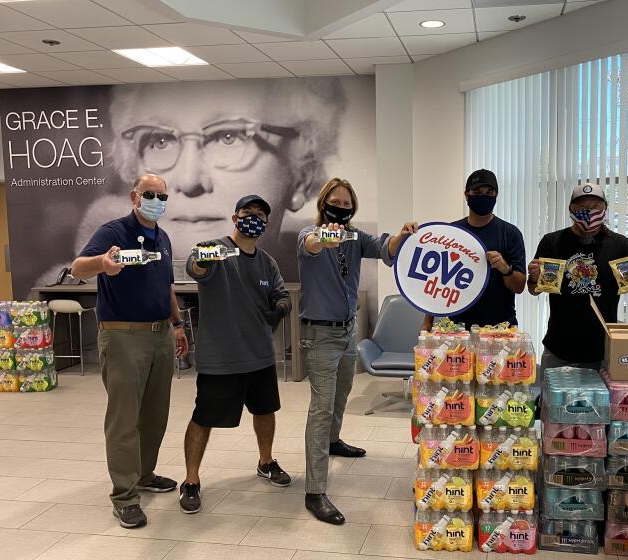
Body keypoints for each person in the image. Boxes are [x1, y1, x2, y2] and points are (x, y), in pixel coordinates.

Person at [34, 77, 351, 288]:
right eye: (159, 140)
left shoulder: (325, 270)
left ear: (302, 173)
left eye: (229, 136)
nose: (187, 180)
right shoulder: (117, 240)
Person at [70, 173, 189, 529]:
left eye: (162, 196)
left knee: (155, 415)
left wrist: (178, 324)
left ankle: (144, 473)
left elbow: (165, 285)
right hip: (123, 336)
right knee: (124, 419)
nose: (156, 200)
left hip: (160, 334)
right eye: (149, 194)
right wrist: (102, 265)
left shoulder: (163, 238)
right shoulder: (114, 232)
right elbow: (77, 268)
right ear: (134, 196)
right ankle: (124, 496)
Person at [298, 177, 417, 525]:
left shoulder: (356, 237)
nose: (341, 207)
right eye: (335, 202)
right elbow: (311, 245)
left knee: (342, 394)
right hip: (319, 334)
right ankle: (315, 491)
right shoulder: (308, 233)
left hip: (347, 330)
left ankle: (333, 442)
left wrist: (403, 235)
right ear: (323, 204)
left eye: (347, 204)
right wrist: (323, 238)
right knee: (321, 407)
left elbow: (385, 248)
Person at [178, 194, 292, 514]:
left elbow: (282, 294)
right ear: (235, 217)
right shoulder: (217, 250)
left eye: (260, 215)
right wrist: (204, 258)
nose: (254, 218)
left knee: (265, 410)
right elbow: (195, 266)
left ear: (267, 224)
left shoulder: (267, 262)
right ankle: (190, 480)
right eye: (248, 212)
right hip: (221, 358)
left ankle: (266, 462)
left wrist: (281, 307)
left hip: (260, 355)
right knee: (203, 418)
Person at [527, 183, 628, 372]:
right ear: (571, 209)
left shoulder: (620, 245)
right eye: (582, 207)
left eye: (596, 207)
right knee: (552, 400)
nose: (589, 212)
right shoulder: (552, 242)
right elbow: (533, 290)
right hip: (559, 347)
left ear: (605, 209)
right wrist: (534, 277)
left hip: (603, 350)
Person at [421, 169, 527, 330]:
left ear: (496, 195)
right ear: (466, 195)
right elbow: (437, 280)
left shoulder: (510, 233)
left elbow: (519, 287)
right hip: (457, 328)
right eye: (477, 192)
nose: (483, 197)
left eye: (489, 192)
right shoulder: (451, 233)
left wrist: (505, 268)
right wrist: (427, 322)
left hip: (500, 329)